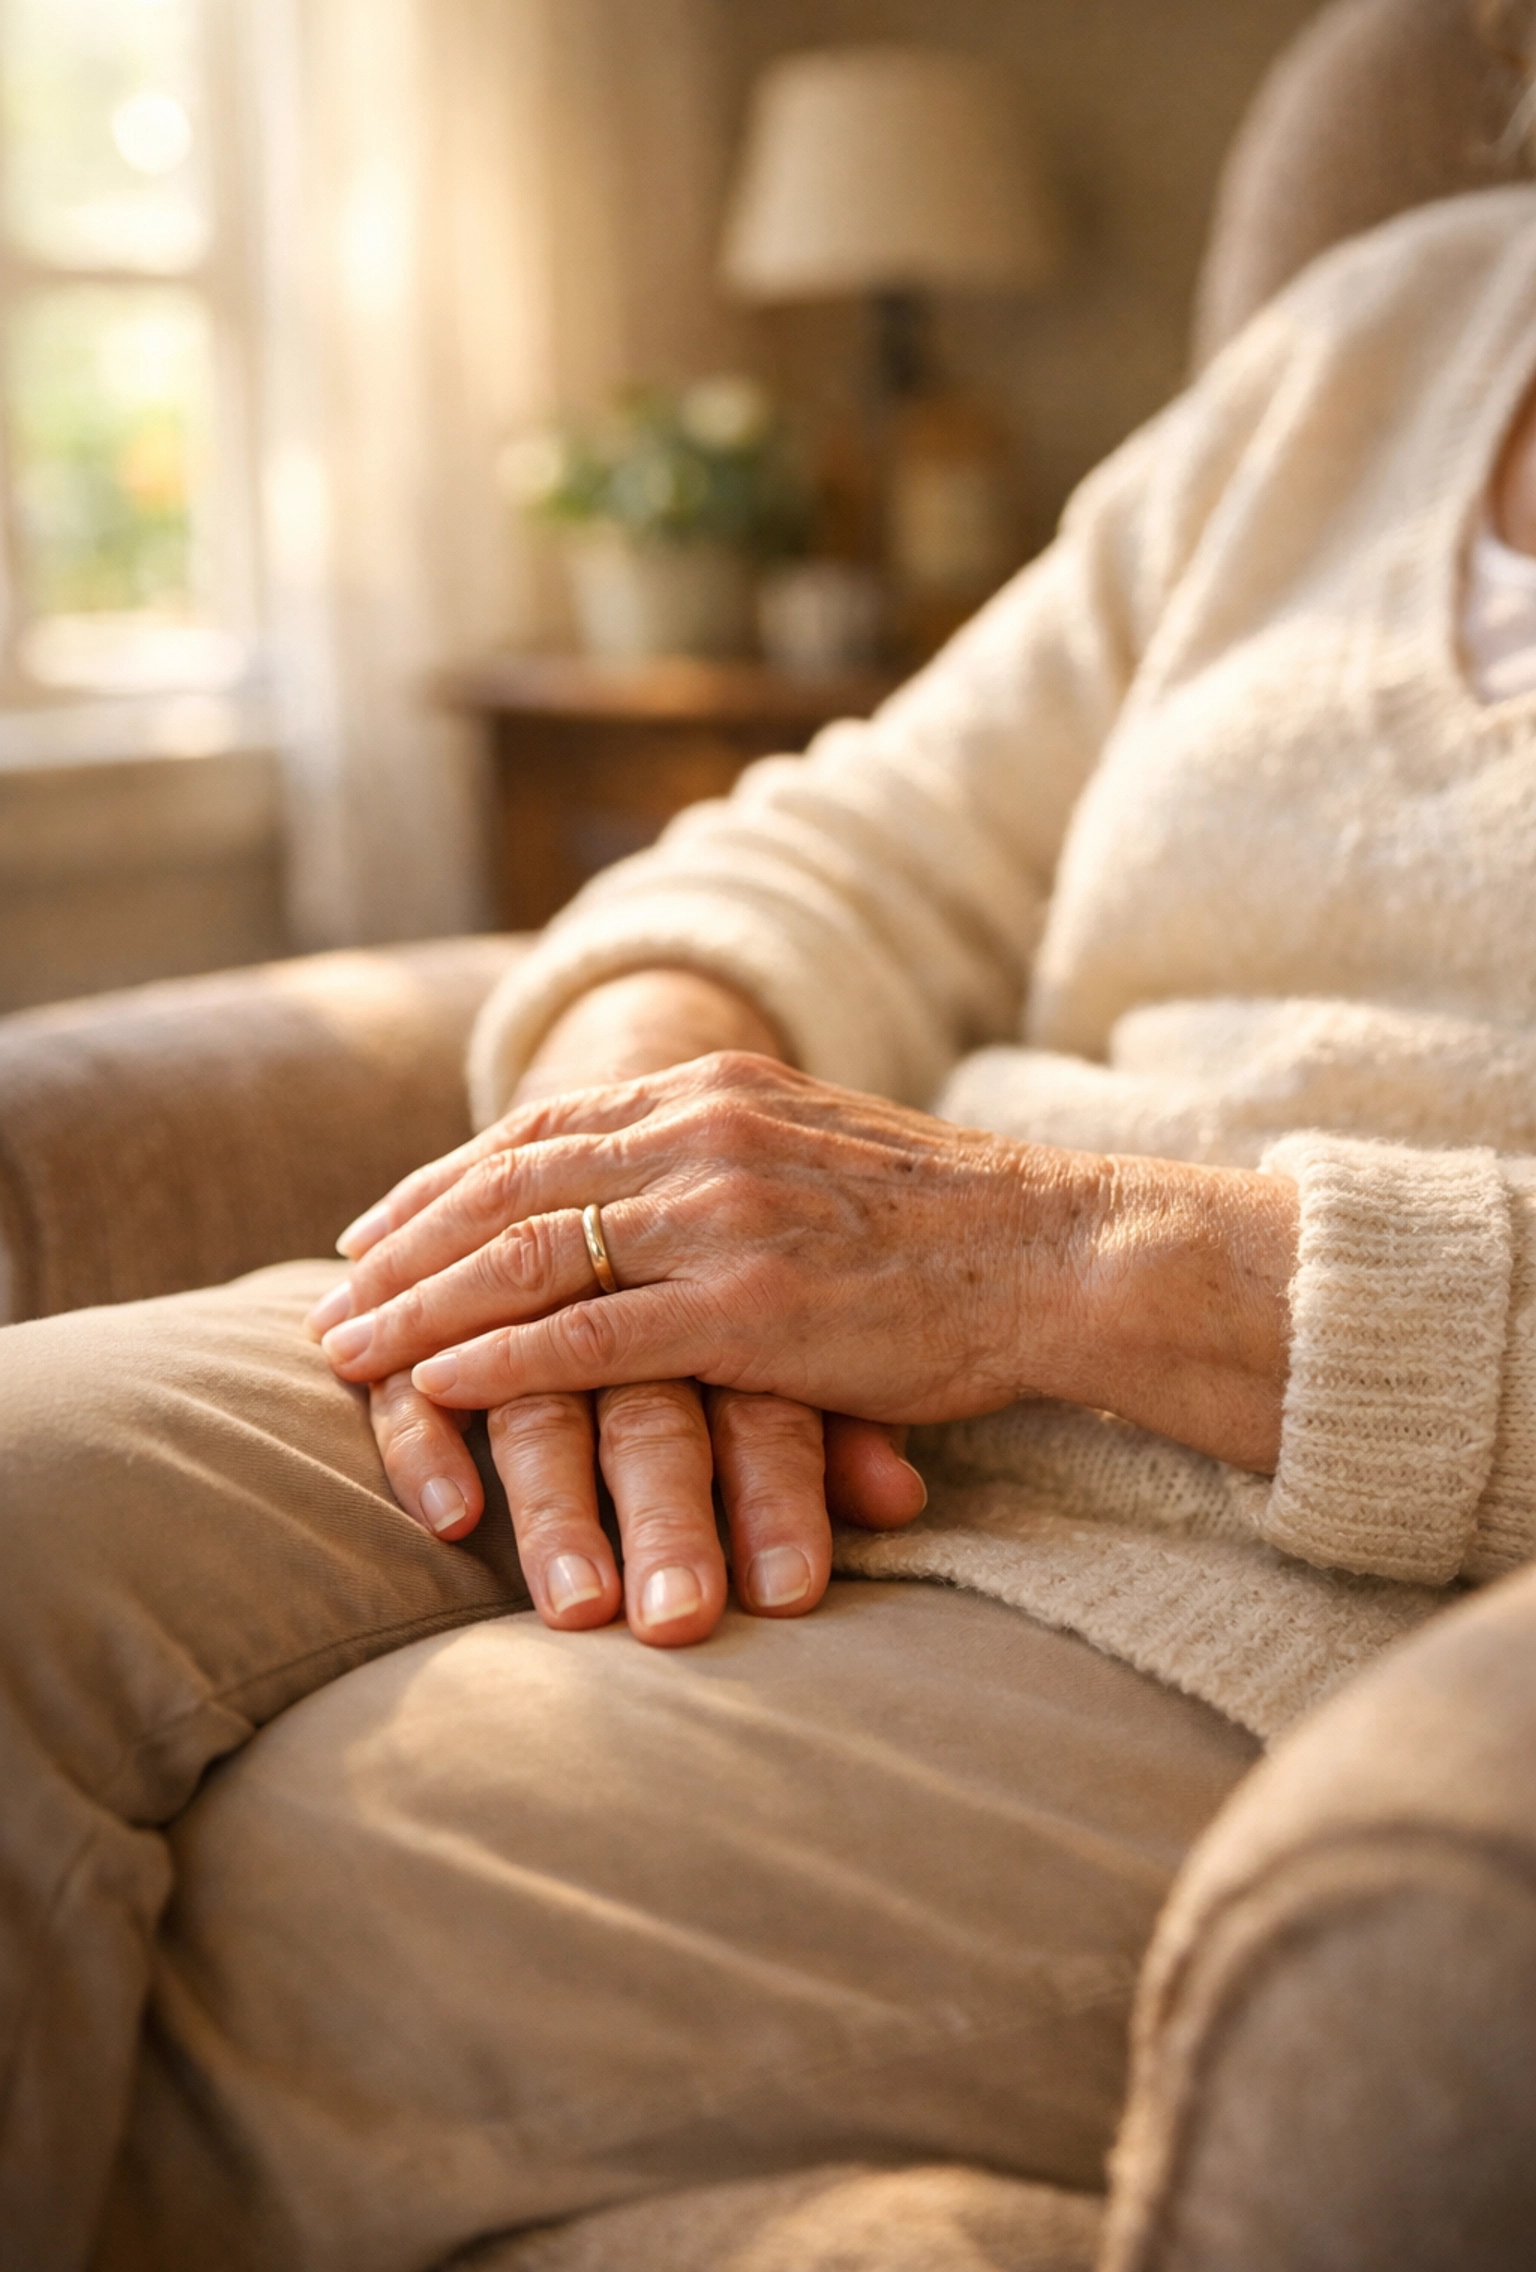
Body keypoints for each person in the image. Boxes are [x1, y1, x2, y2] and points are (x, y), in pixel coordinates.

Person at [8, 181, 1536, 2272]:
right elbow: (854, 841)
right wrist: (642, 1183)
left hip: (1322, 1592)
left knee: (304, 1928)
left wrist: (1057, 1261)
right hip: (833, 1333)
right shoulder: (1406, 319)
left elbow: (1031, 1245)